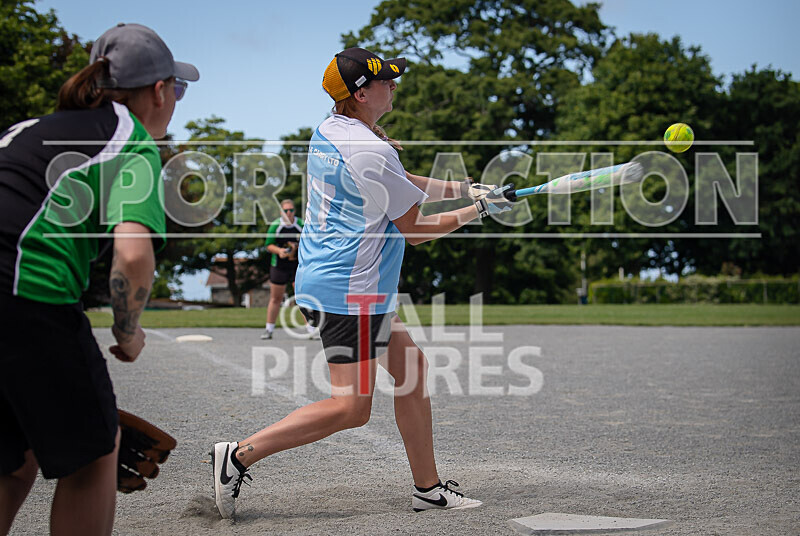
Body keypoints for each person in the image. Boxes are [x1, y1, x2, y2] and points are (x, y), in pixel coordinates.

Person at [211, 47, 511, 519]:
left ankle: (428, 488)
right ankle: (238, 455)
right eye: (386, 81)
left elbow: (400, 178)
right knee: (351, 408)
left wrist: (465, 188)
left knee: (411, 371)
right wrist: (480, 211)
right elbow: (414, 232)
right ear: (360, 93)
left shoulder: (332, 129)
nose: (394, 86)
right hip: (347, 290)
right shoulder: (370, 149)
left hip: (342, 282)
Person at [0, 23, 197, 535]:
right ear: (158, 91)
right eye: (178, 88)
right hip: (25, 294)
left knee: (15, 456)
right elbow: (133, 256)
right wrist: (128, 331)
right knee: (95, 450)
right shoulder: (129, 141)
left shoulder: (25, 129)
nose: (177, 99)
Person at [261, 199, 315, 339]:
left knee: (302, 298)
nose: (289, 213)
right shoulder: (276, 226)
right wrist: (279, 251)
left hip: (297, 266)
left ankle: (311, 328)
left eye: (291, 210)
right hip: (279, 266)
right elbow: (268, 245)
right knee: (276, 298)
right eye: (286, 211)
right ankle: (269, 329)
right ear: (281, 212)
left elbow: (311, 241)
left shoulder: (301, 224)